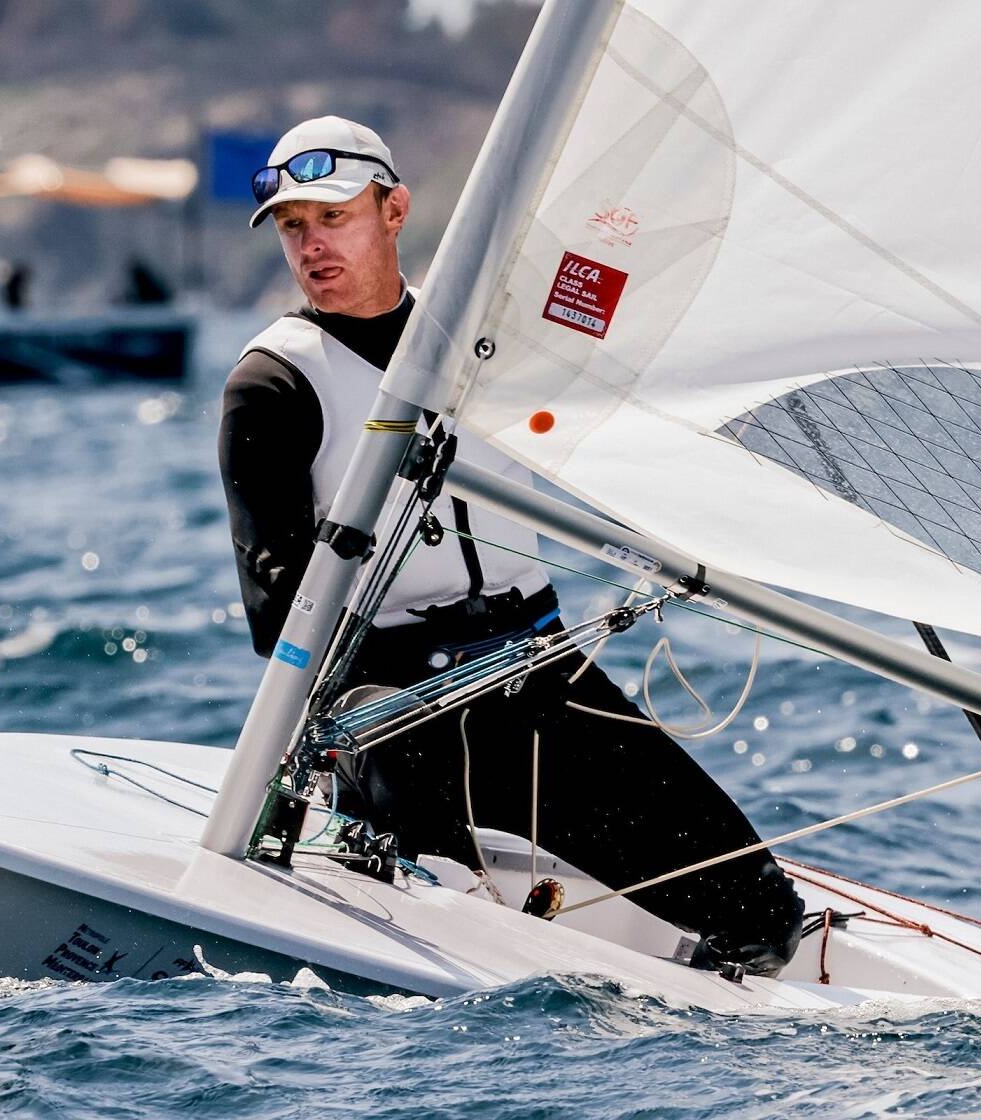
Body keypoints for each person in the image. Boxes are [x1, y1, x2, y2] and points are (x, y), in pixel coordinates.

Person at [218, 116, 804, 975]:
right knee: (432, 912)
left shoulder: (491, 334)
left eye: (333, 217)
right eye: (293, 226)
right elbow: (280, 616)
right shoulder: (272, 382)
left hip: (539, 671)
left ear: (394, 211)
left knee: (764, 916)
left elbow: (631, 344)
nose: (311, 246)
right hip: (395, 701)